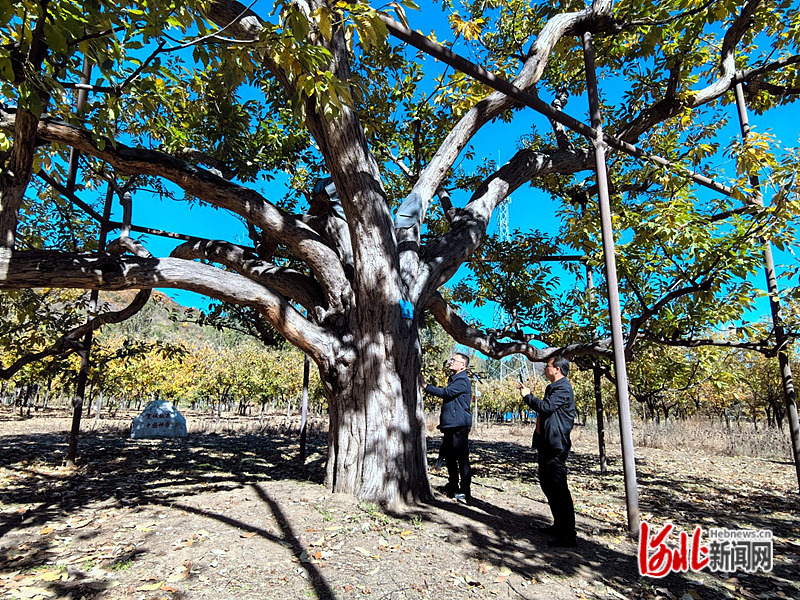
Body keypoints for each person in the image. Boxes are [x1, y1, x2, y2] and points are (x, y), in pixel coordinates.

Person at [518, 355, 577, 547]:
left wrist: (528, 396)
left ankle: (569, 534)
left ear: (557, 369)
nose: (545, 369)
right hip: (546, 443)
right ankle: (559, 525)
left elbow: (546, 408)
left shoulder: (563, 388)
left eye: (548, 366)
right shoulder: (553, 388)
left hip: (556, 444)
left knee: (559, 487)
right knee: (547, 483)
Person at [420, 353, 473, 502]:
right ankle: (452, 485)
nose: (450, 362)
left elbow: (447, 393)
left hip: (459, 426)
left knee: (462, 458)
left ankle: (465, 490)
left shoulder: (462, 381)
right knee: (449, 457)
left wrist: (426, 386)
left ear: (462, 365)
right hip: (451, 425)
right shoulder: (454, 379)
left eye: (454, 360)